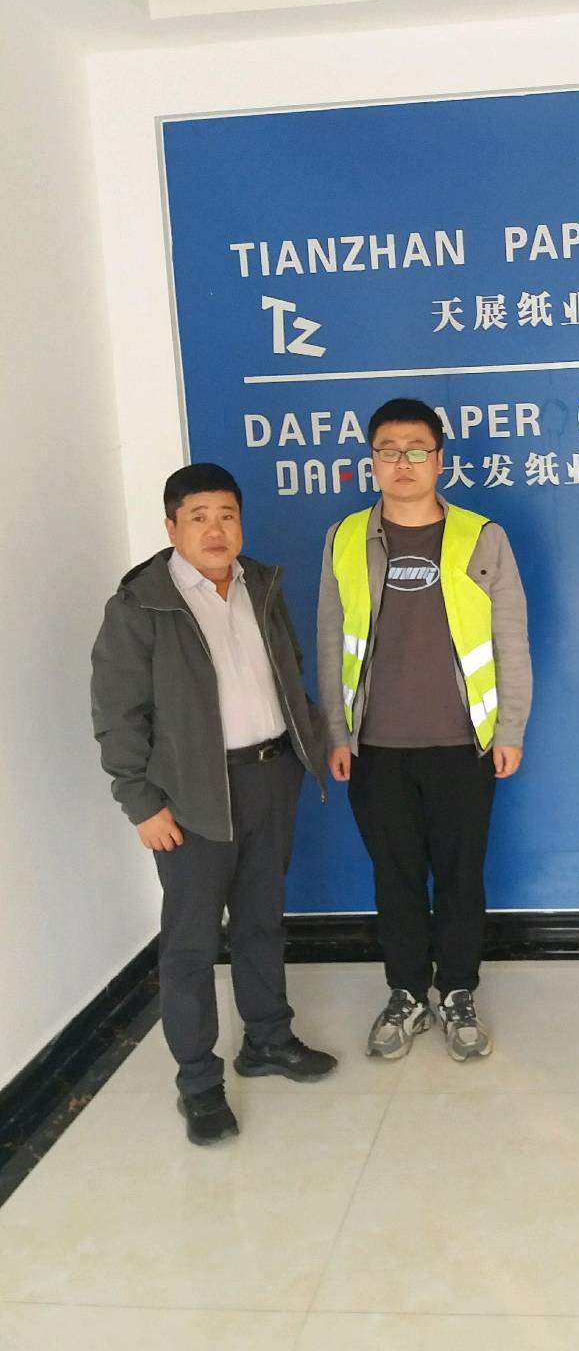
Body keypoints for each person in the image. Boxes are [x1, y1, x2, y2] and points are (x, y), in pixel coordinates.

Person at [91, 463, 337, 1145]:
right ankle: (198, 1084)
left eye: (227, 514)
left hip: (270, 777)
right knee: (191, 944)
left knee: (261, 922)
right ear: (171, 527)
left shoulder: (259, 584)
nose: (215, 529)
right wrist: (140, 803)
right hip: (192, 796)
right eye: (198, 516)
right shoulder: (141, 605)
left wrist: (310, 745)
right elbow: (117, 714)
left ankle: (268, 1039)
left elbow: (287, 672)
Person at [317, 397, 531, 1062]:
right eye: (388, 451)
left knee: (462, 878)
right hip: (375, 749)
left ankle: (458, 991)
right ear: (372, 461)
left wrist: (511, 727)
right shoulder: (344, 537)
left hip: (464, 746)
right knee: (396, 878)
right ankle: (407, 992)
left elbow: (511, 638)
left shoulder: (482, 536)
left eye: (416, 450)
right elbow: (329, 638)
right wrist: (337, 734)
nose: (402, 463)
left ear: (440, 459)